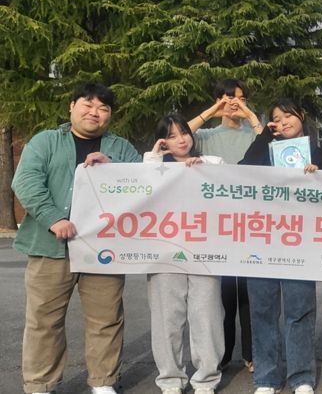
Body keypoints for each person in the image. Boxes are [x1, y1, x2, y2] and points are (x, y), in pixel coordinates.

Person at [11, 83, 141, 394]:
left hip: (103, 248)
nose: (95, 112)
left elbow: (143, 185)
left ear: (110, 115)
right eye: (88, 104)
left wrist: (115, 171)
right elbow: (26, 181)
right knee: (44, 321)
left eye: (103, 108)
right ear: (72, 106)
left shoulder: (121, 148)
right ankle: (40, 384)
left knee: (106, 318)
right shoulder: (45, 141)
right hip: (50, 247)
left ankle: (103, 381)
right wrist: (53, 218)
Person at [239, 98, 322, 394]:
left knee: (300, 310)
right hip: (262, 242)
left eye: (288, 116)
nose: (283, 122)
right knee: (262, 311)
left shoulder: (319, 154)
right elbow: (241, 171)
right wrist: (264, 136)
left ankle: (301, 376)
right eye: (277, 119)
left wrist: (319, 176)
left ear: (301, 116)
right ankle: (267, 378)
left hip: (300, 243)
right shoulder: (264, 151)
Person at [143, 113, 225, 394]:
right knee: (167, 318)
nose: (180, 140)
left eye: (184, 132)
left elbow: (227, 193)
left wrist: (204, 171)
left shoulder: (212, 162)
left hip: (205, 251)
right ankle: (170, 380)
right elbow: (141, 193)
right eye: (171, 135)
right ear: (162, 141)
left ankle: (206, 379)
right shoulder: (153, 167)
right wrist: (155, 157)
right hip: (164, 252)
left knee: (206, 315)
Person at [188, 79, 262, 371]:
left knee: (249, 292)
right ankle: (222, 355)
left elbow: (272, 145)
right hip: (216, 224)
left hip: (251, 221)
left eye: (241, 97)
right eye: (229, 97)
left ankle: (251, 354)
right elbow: (180, 135)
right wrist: (213, 110)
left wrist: (251, 116)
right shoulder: (206, 135)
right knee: (222, 295)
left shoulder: (254, 131)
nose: (234, 102)